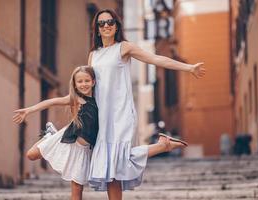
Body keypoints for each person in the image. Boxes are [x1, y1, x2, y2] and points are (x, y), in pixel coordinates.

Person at [87, 9, 206, 200]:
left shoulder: (124, 47)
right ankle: (162, 145)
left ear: (117, 26)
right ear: (97, 29)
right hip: (101, 115)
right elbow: (88, 85)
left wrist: (188, 67)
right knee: (110, 168)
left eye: (110, 22)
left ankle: (161, 146)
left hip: (120, 113)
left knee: (118, 161)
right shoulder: (93, 55)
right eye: (102, 23)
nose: (106, 25)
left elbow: (156, 59)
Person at [12, 66, 98, 200]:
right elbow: (51, 102)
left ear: (93, 82)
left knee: (77, 190)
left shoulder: (100, 99)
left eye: (87, 81)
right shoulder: (75, 99)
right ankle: (49, 135)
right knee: (31, 155)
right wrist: (29, 110)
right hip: (68, 138)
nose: (83, 84)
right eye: (80, 81)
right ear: (75, 84)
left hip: (83, 151)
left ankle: (50, 135)